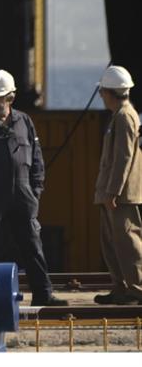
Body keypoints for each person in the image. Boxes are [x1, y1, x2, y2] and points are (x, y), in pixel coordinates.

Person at [0, 69, 66, 306]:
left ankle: (43, 295)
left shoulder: (24, 122)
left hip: (23, 196)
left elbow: (37, 160)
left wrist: (35, 191)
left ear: (11, 97)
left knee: (33, 247)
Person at [92, 65, 142, 304]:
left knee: (128, 242)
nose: (101, 96)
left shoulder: (124, 117)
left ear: (110, 93)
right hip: (113, 193)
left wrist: (113, 191)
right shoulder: (119, 116)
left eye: (102, 91)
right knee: (112, 242)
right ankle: (121, 288)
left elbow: (124, 157)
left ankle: (136, 290)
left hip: (122, 195)